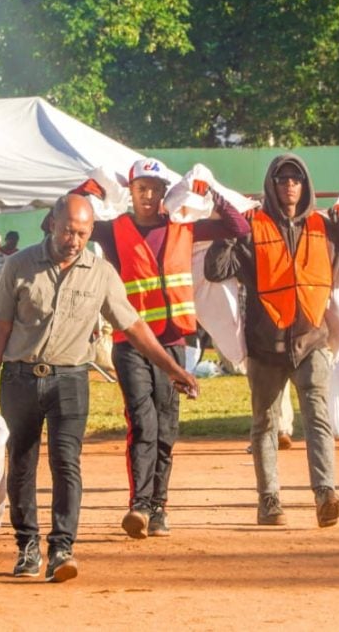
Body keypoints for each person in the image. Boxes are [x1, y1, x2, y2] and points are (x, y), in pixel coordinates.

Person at [0, 193, 199, 583]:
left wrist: (171, 369)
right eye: (68, 231)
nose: (74, 240)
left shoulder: (101, 273)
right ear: (51, 223)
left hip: (70, 380)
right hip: (20, 378)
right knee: (23, 462)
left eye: (82, 233)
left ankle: (62, 547)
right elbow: (1, 327)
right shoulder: (19, 264)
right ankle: (27, 544)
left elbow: (133, 326)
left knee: (67, 463)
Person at [73, 157, 248, 539]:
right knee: (143, 423)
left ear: (164, 193)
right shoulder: (113, 230)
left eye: (155, 189)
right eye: (141, 189)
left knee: (167, 428)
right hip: (132, 343)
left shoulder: (184, 228)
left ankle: (159, 508)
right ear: (130, 193)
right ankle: (138, 505)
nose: (148, 196)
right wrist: (89, 189)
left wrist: (211, 191)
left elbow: (239, 226)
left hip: (175, 345)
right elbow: (63, 222)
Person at [205, 153, 339, 528]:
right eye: (282, 179)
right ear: (271, 185)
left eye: (296, 179)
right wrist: (228, 234)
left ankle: (326, 493)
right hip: (265, 345)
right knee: (265, 422)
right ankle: (269, 501)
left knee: (318, 417)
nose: (290, 185)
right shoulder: (251, 226)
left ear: (305, 185)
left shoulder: (323, 225)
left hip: (312, 340)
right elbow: (216, 272)